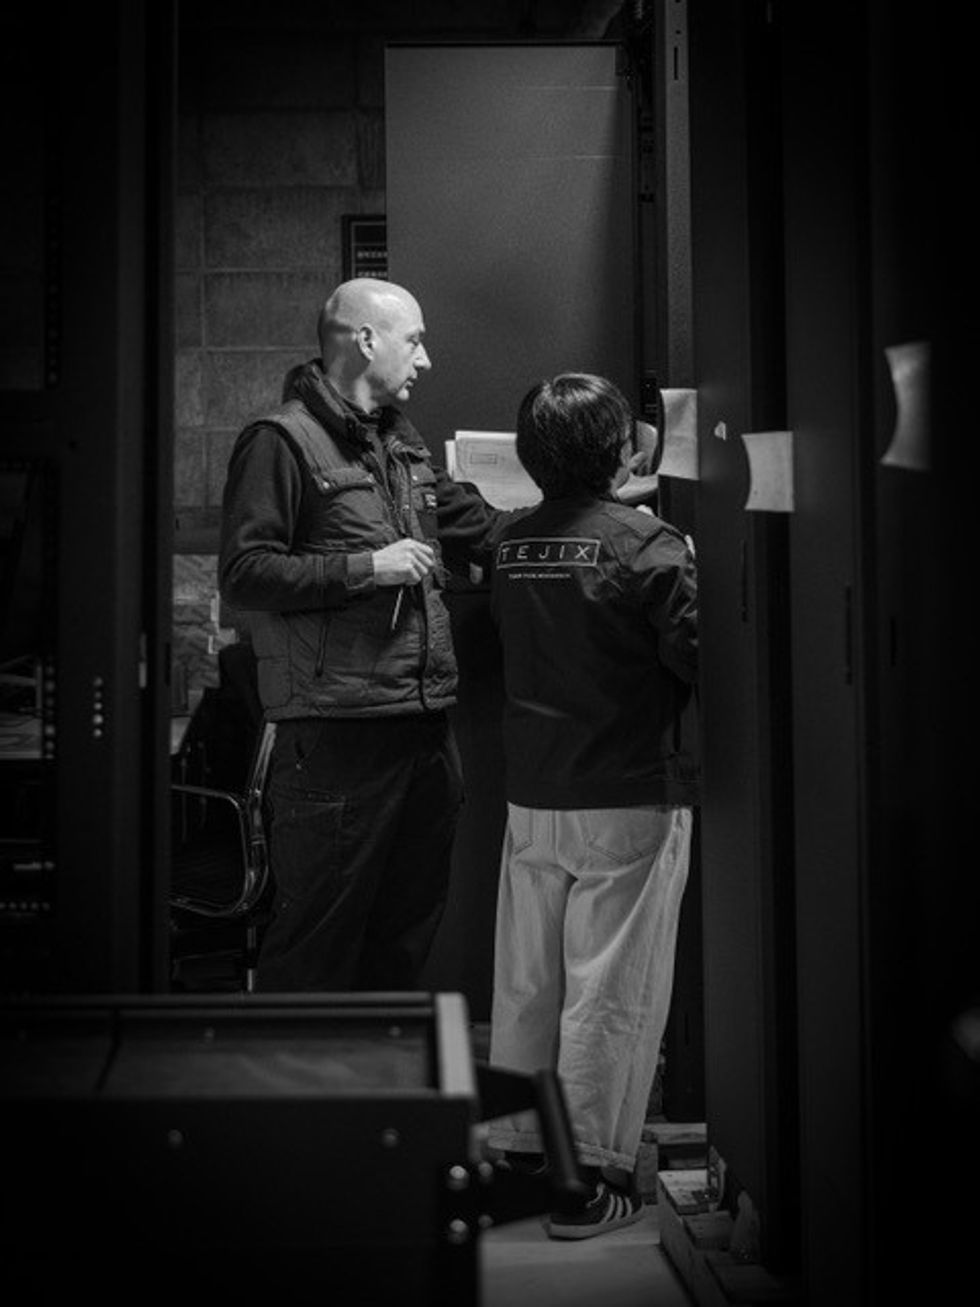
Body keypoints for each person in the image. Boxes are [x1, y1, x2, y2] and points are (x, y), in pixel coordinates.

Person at [218, 277, 520, 992]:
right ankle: (297, 1103)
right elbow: (245, 574)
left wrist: (595, 506)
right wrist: (366, 567)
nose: (426, 358)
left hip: (421, 728)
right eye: (414, 339)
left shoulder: (400, 448)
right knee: (317, 940)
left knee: (405, 931)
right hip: (333, 735)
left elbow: (483, 525)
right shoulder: (279, 441)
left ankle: (383, 1098)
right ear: (365, 340)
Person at [485, 372, 699, 1239]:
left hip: (533, 791)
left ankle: (521, 1151)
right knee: (611, 988)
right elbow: (699, 653)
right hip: (625, 792)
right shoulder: (652, 546)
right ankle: (590, 1180)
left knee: (528, 981)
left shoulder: (509, 542)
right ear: (620, 449)